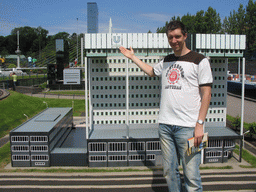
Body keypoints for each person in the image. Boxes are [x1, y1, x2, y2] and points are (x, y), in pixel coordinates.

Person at [119, 20, 212, 192]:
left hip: (190, 128)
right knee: (169, 172)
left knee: (192, 176)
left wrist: (200, 124)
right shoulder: (167, 60)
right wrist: (132, 57)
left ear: (185, 36)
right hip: (165, 126)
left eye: (177, 36)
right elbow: (151, 71)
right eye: (170, 37)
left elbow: (206, 94)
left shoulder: (200, 60)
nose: (174, 41)